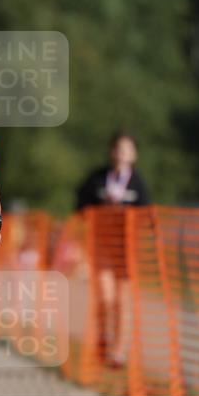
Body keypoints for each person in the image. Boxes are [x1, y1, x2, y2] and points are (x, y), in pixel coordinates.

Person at [75, 131, 151, 368]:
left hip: (126, 248)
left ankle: (118, 352)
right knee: (105, 298)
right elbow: (80, 207)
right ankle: (103, 342)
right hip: (102, 246)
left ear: (134, 154)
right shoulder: (97, 179)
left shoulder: (138, 184)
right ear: (111, 151)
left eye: (127, 149)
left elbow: (147, 216)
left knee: (121, 301)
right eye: (118, 148)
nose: (122, 153)